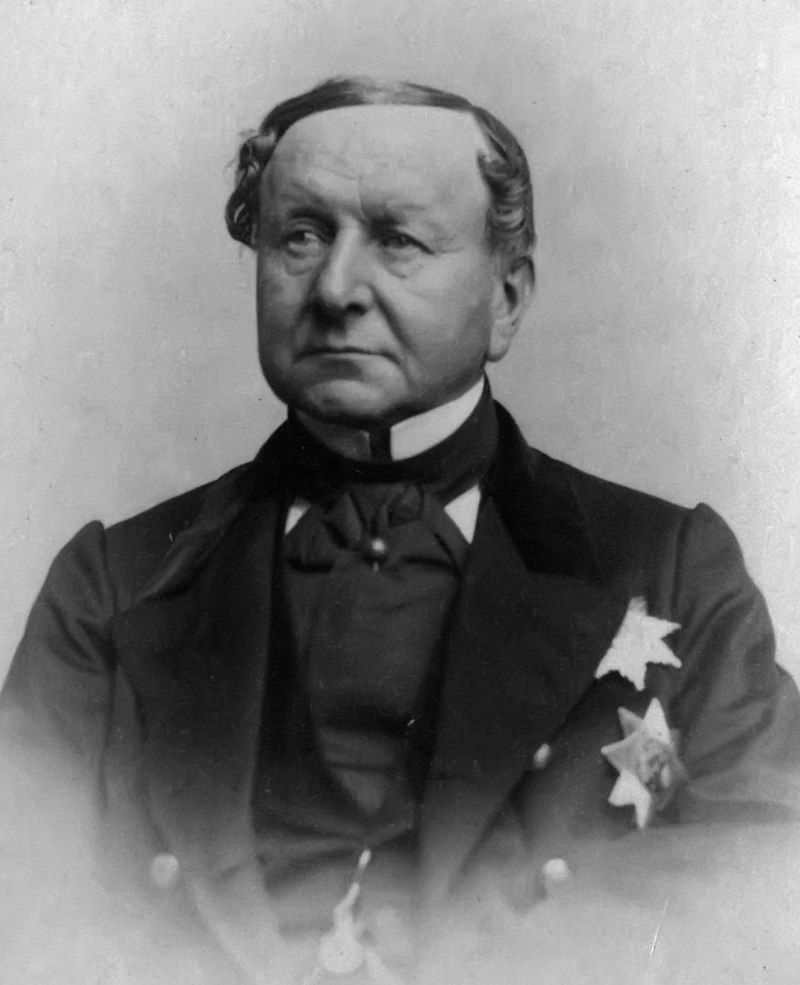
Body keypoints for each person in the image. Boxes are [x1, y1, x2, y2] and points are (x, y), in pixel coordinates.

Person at [2, 76, 800, 985]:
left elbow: (767, 879)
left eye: (399, 240)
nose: (336, 287)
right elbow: (24, 904)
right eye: (301, 236)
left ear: (507, 298)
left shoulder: (670, 569)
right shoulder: (111, 587)